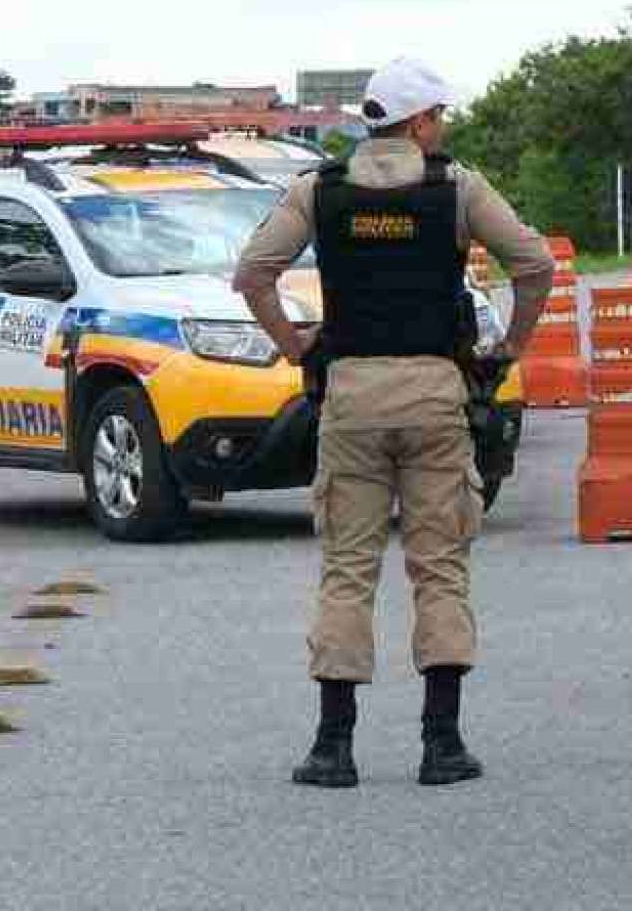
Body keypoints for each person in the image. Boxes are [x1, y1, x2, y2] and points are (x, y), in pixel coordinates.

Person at [233, 56, 553, 788]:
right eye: (438, 116)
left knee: (348, 567)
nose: (442, 129)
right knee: (438, 565)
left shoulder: (320, 190)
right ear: (416, 122)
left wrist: (296, 345)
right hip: (437, 392)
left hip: (351, 393)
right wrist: (508, 347)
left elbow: (253, 273)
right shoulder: (456, 188)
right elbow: (534, 265)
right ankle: (441, 744)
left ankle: (333, 747)